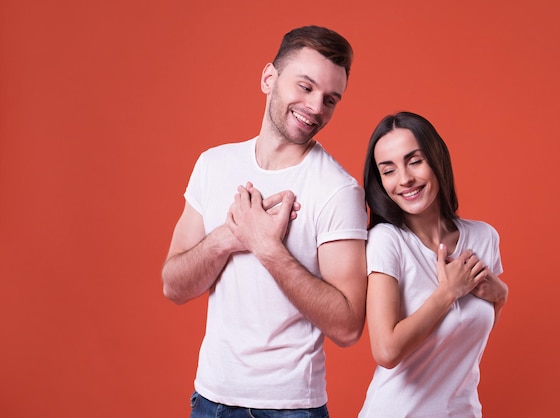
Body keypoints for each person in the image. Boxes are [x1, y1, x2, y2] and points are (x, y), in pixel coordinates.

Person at [161, 26, 368, 418]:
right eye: (305, 87)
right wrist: (228, 237)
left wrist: (268, 248)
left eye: (330, 99)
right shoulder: (213, 165)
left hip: (289, 408)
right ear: (269, 78)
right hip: (209, 401)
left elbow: (348, 326)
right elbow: (174, 285)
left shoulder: (338, 191)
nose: (316, 107)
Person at [359, 111, 509, 417]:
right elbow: (386, 351)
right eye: (388, 171)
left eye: (414, 161)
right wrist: (447, 292)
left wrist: (501, 293)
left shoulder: (483, 237)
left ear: (437, 159)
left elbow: (471, 329)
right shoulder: (387, 241)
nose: (405, 179)